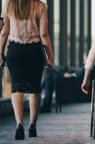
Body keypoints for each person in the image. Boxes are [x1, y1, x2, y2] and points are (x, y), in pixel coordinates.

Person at [0, 0, 53, 140]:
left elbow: (4, 32)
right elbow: (44, 34)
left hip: (15, 51)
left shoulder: (8, 5)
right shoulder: (40, 6)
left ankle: (19, 125)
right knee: (35, 88)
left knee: (17, 87)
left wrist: (0, 53)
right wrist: (50, 56)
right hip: (34, 50)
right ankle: (32, 125)